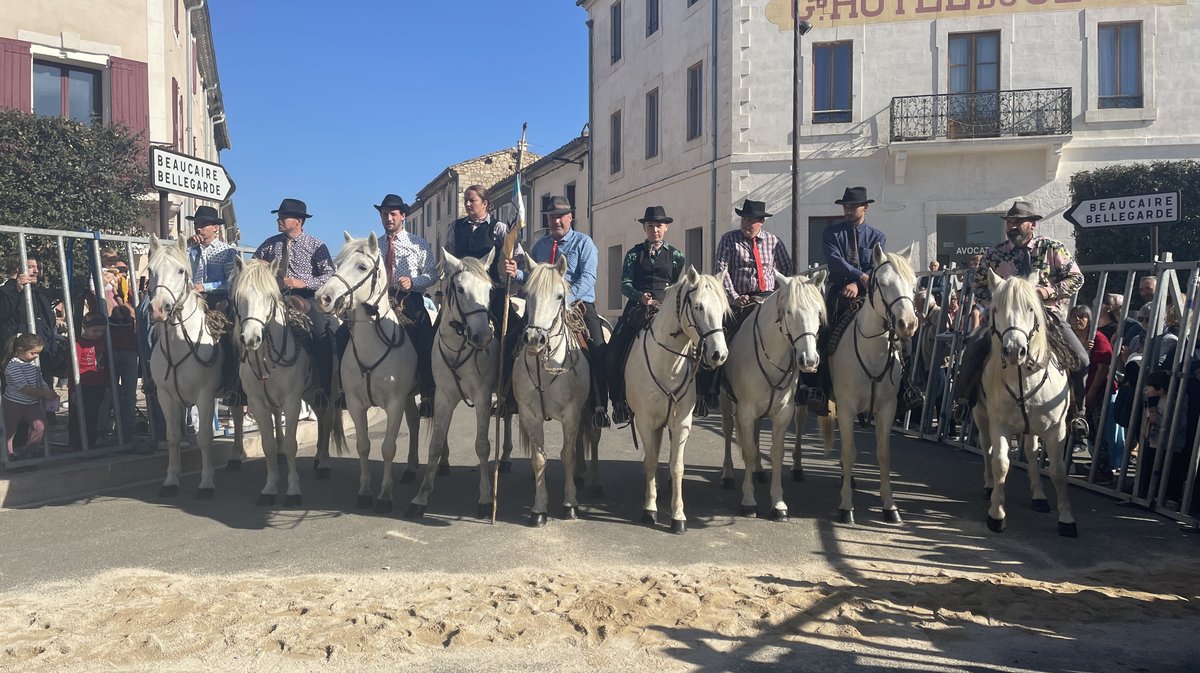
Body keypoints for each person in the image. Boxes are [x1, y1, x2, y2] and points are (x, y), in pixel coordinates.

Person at [952, 201, 1090, 440]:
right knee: (974, 347)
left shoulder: (1052, 248)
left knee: (1081, 358)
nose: (1013, 226)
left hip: (1047, 316)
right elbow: (979, 286)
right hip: (1004, 320)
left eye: (1018, 222)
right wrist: (990, 306)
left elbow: (1076, 278)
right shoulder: (995, 253)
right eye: (1010, 222)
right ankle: (963, 401)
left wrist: (1047, 293)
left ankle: (1078, 411)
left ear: (1032, 225)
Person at [518, 196, 609, 427]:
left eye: (561, 216)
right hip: (543, 308)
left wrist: (565, 299)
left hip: (578, 304)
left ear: (570, 217)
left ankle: (601, 405)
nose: (556, 221)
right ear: (547, 219)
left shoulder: (584, 243)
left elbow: (588, 277)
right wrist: (516, 275)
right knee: (512, 341)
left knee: (598, 348)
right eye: (552, 217)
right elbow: (531, 279)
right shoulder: (540, 246)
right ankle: (510, 398)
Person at [698, 198, 794, 415]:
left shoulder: (774, 242)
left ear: (762, 222)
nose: (747, 224)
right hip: (741, 301)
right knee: (718, 336)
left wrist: (786, 296)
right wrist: (733, 297)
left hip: (769, 299)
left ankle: (801, 383)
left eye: (752, 220)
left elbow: (788, 270)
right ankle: (709, 388)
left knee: (794, 333)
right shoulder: (729, 240)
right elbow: (720, 270)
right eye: (744, 219)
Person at [253, 198, 337, 403]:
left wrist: (303, 282)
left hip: (306, 298)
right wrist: (260, 264)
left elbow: (329, 275)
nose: (279, 220)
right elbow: (253, 265)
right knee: (248, 329)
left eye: (284, 216)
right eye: (279, 216)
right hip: (275, 298)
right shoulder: (270, 244)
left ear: (299, 221)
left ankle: (325, 389)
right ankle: (243, 387)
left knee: (322, 335)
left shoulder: (316, 245)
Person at [451, 184, 526, 415]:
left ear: (485, 203)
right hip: (463, 292)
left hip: (491, 290)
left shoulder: (499, 228)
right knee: (437, 331)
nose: (467, 204)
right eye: (466, 200)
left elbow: (519, 256)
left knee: (515, 332)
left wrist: (513, 266)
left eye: (472, 200)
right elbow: (449, 256)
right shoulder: (455, 228)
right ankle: (432, 387)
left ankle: (508, 392)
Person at [607, 206, 685, 424]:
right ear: (644, 227)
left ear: (666, 227)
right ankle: (618, 402)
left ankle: (698, 396)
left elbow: (679, 285)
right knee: (612, 352)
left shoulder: (677, 256)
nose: (655, 230)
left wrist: (667, 303)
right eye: (650, 226)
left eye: (659, 226)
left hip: (666, 309)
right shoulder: (633, 254)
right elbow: (624, 283)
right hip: (637, 309)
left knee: (695, 345)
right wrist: (640, 297)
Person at [375, 194, 437, 417]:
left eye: (392, 214)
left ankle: (428, 393)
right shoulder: (376, 245)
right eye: (384, 214)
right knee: (349, 331)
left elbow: (432, 274)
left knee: (425, 338)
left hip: (409, 300)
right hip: (380, 300)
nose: (388, 218)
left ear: (403, 216)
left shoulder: (418, 244)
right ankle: (349, 387)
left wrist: (413, 282)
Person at [186, 204, 241, 404]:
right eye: (197, 224)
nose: (199, 228)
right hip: (191, 300)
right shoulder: (190, 250)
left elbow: (231, 281)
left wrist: (205, 287)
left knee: (230, 339)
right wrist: (187, 246)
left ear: (215, 228)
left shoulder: (227, 252)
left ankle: (232, 384)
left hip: (218, 301)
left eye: (203, 224)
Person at [0, 255, 65, 384]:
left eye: (39, 267)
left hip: (42, 353)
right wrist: (17, 291)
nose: (36, 271)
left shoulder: (38, 292)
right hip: (17, 355)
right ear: (19, 268)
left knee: (45, 391)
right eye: (31, 267)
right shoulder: (5, 290)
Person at [3, 334, 58, 460]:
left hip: (30, 403)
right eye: (33, 353)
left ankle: (27, 452)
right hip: (14, 403)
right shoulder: (13, 366)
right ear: (20, 350)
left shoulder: (32, 365)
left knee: (40, 425)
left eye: (38, 353)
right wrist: (45, 394)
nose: (36, 356)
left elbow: (39, 380)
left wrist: (48, 390)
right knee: (10, 431)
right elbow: (24, 388)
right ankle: (8, 455)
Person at [68, 313, 109, 451]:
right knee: (78, 414)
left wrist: (107, 384)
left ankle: (90, 441)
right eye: (95, 331)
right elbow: (72, 368)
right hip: (82, 384)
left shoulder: (102, 342)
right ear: (85, 328)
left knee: (93, 414)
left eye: (101, 331)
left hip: (97, 384)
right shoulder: (79, 343)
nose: (98, 334)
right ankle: (76, 442)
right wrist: (72, 389)